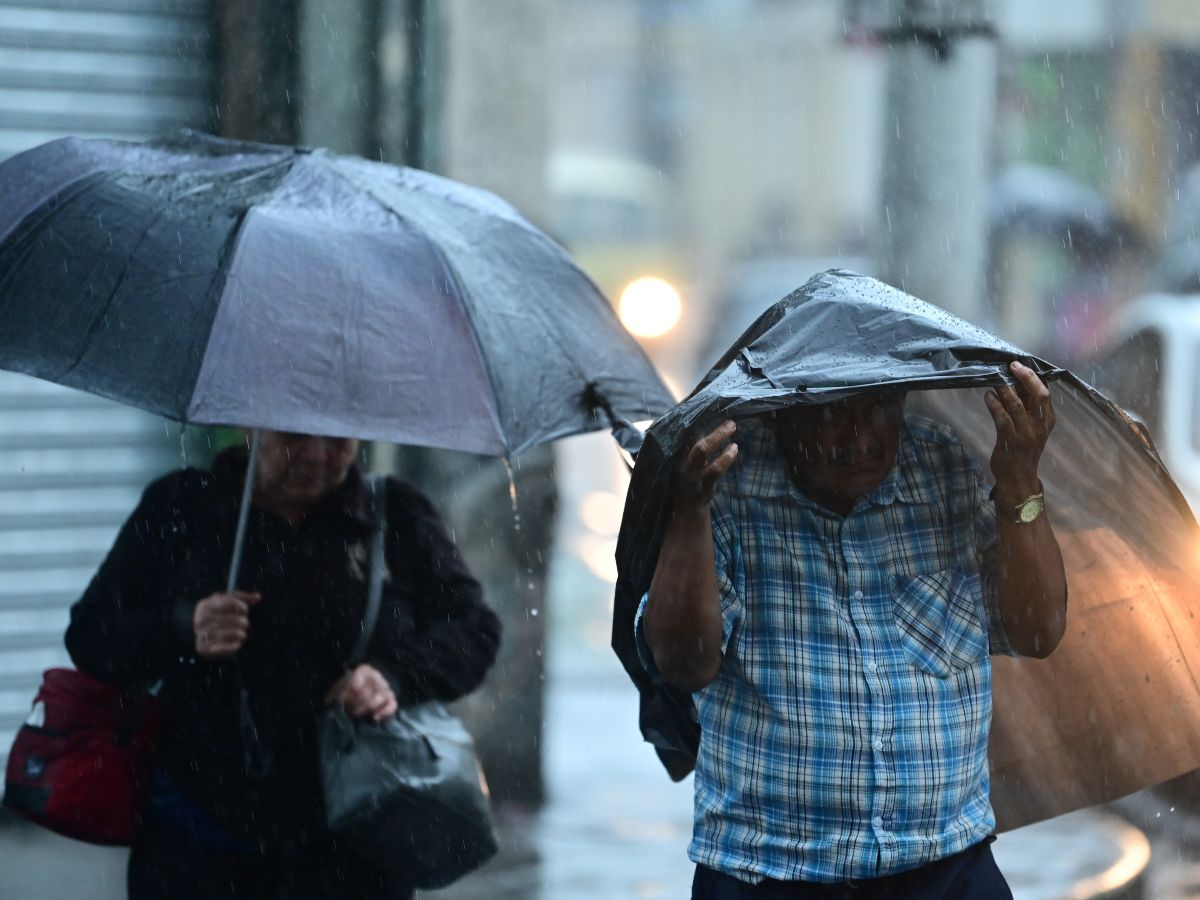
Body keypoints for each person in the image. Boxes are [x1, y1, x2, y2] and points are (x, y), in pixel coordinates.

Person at [638, 360, 1067, 899]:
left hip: (948, 867)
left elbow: (1038, 631)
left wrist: (1021, 480)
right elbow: (683, 664)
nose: (860, 439)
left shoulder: (944, 465)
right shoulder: (723, 484)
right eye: (834, 415)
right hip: (769, 873)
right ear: (781, 415)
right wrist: (689, 510)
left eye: (878, 409)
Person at [65, 431, 501, 900]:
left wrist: (393, 676)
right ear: (252, 425)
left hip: (354, 849)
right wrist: (183, 627)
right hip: (201, 840)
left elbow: (474, 628)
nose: (316, 453)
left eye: (337, 438)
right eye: (294, 436)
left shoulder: (394, 514)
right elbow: (92, 634)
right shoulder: (183, 506)